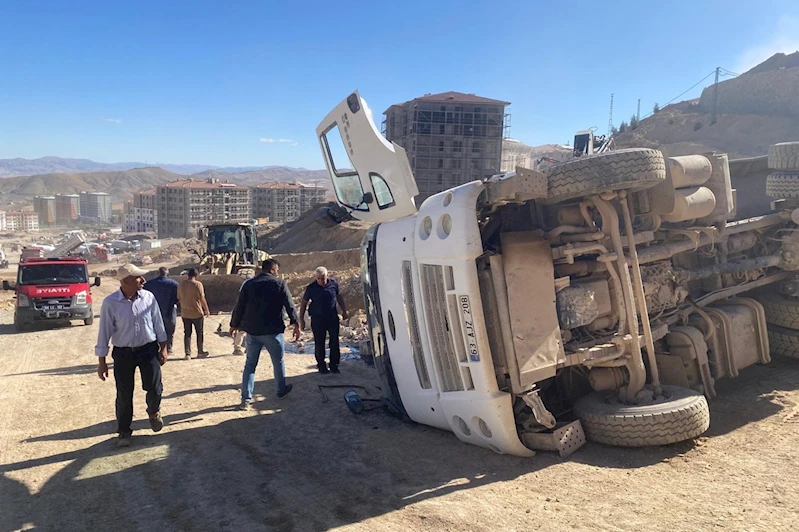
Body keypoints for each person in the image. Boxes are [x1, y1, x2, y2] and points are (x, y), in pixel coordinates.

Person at [95, 264, 168, 448]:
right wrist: (102, 361)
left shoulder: (148, 298)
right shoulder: (110, 303)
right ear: (126, 281)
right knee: (124, 393)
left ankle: (153, 411)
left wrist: (163, 347)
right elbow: (104, 332)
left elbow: (158, 323)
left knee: (155, 387)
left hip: (148, 350)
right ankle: (124, 431)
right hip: (123, 354)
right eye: (138, 278)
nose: (142, 280)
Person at [230, 258, 300, 408]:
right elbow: (290, 305)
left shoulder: (249, 284)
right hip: (273, 332)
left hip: (253, 332)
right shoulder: (279, 284)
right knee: (278, 362)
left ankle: (245, 399)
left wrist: (234, 324)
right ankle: (281, 390)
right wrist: (296, 323)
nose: (277, 273)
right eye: (277, 271)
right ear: (272, 270)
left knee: (250, 365)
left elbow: (239, 306)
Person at [299, 266, 348, 374]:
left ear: (327, 276)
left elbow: (339, 297)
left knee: (334, 341)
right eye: (319, 279)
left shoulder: (334, 284)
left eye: (323, 278)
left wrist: (344, 311)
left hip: (332, 317)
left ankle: (334, 365)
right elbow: (303, 303)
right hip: (318, 319)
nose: (321, 281)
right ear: (316, 278)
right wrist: (301, 319)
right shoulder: (311, 288)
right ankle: (321, 366)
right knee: (319, 342)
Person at [144, 267, 179, 354]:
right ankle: (168, 348)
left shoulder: (149, 284)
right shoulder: (174, 284)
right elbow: (178, 297)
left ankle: (156, 348)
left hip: (153, 311)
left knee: (154, 330)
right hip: (169, 310)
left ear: (158, 273)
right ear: (167, 273)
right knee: (169, 330)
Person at [177, 268, 210, 359]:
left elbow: (179, 297)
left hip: (185, 313)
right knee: (199, 332)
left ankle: (187, 353)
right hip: (197, 312)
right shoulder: (198, 284)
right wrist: (206, 309)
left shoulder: (181, 285)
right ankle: (200, 352)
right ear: (196, 275)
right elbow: (202, 298)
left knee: (187, 333)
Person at [232, 270, 255, 356]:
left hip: (246, 311)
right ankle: (239, 348)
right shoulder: (250, 284)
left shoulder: (245, 284)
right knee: (244, 331)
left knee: (243, 331)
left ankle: (240, 347)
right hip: (248, 311)